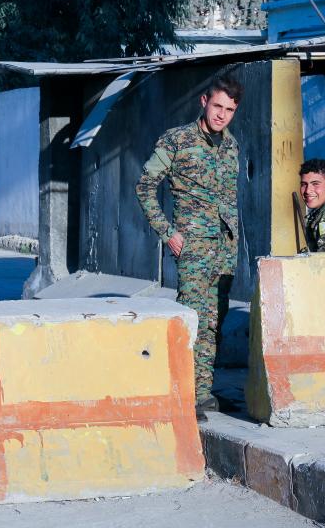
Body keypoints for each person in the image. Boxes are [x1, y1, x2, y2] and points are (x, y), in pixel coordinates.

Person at [136, 73, 242, 420]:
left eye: (229, 109)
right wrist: (167, 232)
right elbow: (144, 187)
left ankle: (202, 392)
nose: (221, 115)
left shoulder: (231, 145)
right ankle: (183, 394)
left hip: (224, 250)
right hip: (193, 247)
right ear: (204, 102)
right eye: (217, 106)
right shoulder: (177, 140)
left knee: (215, 322)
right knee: (192, 319)